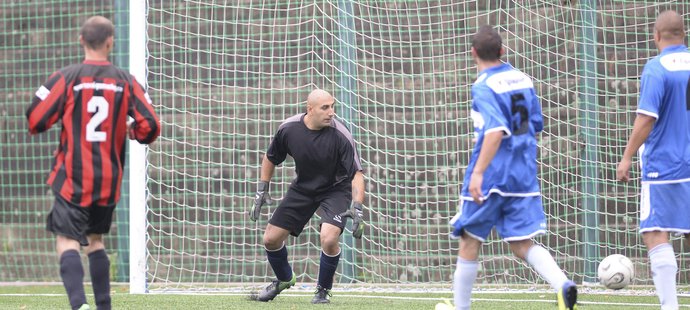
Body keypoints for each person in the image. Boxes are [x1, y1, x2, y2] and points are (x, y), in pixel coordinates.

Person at [436, 25, 577, 310]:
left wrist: (478, 172)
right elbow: (536, 123)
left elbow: (495, 131)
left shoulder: (483, 85)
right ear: (503, 50)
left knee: (469, 238)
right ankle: (562, 284)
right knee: (520, 242)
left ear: (473, 53)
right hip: (522, 173)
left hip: (492, 174)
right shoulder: (523, 78)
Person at [26, 16, 160, 310]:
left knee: (67, 241)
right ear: (110, 42)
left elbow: (35, 118)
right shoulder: (126, 81)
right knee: (95, 240)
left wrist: (61, 116)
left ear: (81, 40)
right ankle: (103, 307)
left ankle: (79, 305)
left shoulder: (67, 77)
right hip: (108, 181)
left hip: (72, 177)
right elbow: (150, 126)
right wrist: (131, 130)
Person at [249, 89, 365, 304]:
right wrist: (262, 188)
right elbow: (270, 157)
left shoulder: (341, 134)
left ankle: (322, 290)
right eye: (325, 107)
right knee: (270, 239)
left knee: (329, 238)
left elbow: (356, 174)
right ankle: (284, 278)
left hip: (335, 190)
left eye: (333, 106)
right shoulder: (289, 129)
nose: (331, 112)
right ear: (309, 109)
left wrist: (357, 206)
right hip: (303, 188)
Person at [616, 10, 690, 310]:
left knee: (654, 230)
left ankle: (669, 306)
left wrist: (626, 156)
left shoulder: (656, 68)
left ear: (656, 36)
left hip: (665, 164)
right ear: (684, 35)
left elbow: (647, 117)